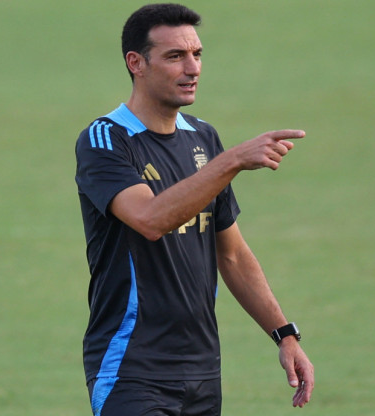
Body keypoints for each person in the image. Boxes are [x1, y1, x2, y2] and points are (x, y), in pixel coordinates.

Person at [74, 3, 314, 415]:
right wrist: (233, 161)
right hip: (132, 369)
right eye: (175, 56)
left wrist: (285, 335)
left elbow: (232, 254)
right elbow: (151, 220)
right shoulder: (104, 140)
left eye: (196, 54)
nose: (192, 68)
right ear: (136, 63)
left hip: (202, 371)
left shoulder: (203, 139)